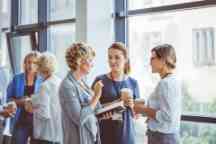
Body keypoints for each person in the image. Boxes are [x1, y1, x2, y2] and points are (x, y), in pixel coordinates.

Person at [92, 42, 140, 144]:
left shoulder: (133, 83)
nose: (112, 61)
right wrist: (108, 108)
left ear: (125, 59)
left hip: (127, 138)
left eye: (117, 57)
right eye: (110, 57)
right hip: (105, 137)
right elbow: (91, 110)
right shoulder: (100, 80)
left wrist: (132, 106)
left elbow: (136, 116)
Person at [134, 44, 182, 144]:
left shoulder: (166, 83)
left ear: (163, 60)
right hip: (163, 137)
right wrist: (145, 106)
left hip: (162, 138)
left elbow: (167, 116)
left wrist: (141, 109)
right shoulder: (170, 81)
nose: (150, 62)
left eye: (153, 58)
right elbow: (162, 109)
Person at [59, 42, 103, 144]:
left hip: (91, 138)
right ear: (79, 61)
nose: (92, 64)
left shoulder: (82, 83)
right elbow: (79, 118)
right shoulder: (67, 86)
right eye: (90, 60)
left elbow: (93, 110)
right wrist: (96, 96)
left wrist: (108, 111)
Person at [24, 52, 63, 144]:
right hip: (58, 135)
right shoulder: (59, 82)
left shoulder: (45, 86)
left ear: (41, 67)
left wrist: (31, 109)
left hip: (45, 136)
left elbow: (44, 113)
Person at [7, 51, 43, 144]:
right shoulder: (17, 78)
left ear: (39, 64)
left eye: (34, 63)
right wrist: (21, 101)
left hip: (38, 122)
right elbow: (8, 99)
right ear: (25, 63)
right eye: (28, 62)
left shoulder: (43, 80)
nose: (31, 65)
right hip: (20, 120)